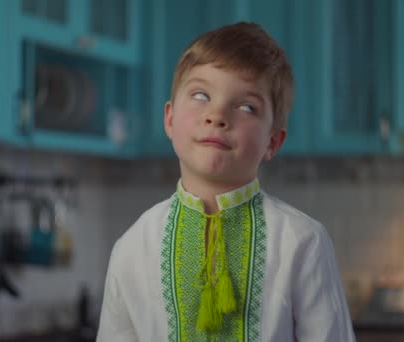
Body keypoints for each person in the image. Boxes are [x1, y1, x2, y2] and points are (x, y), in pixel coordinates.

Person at [96, 22, 355, 341]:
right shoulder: (132, 248)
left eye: (247, 107)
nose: (217, 115)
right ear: (170, 118)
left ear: (273, 141)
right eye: (201, 95)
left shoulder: (303, 243)